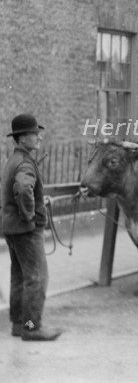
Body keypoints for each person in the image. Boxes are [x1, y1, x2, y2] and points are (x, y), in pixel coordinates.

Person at [2, 114, 62, 341]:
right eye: (34, 134)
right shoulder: (26, 162)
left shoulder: (14, 159)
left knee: (20, 277)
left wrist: (40, 202)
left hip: (11, 228)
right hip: (26, 230)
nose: (39, 137)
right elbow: (23, 188)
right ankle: (32, 327)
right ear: (22, 138)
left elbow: (21, 190)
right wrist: (30, 216)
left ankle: (19, 324)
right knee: (37, 277)